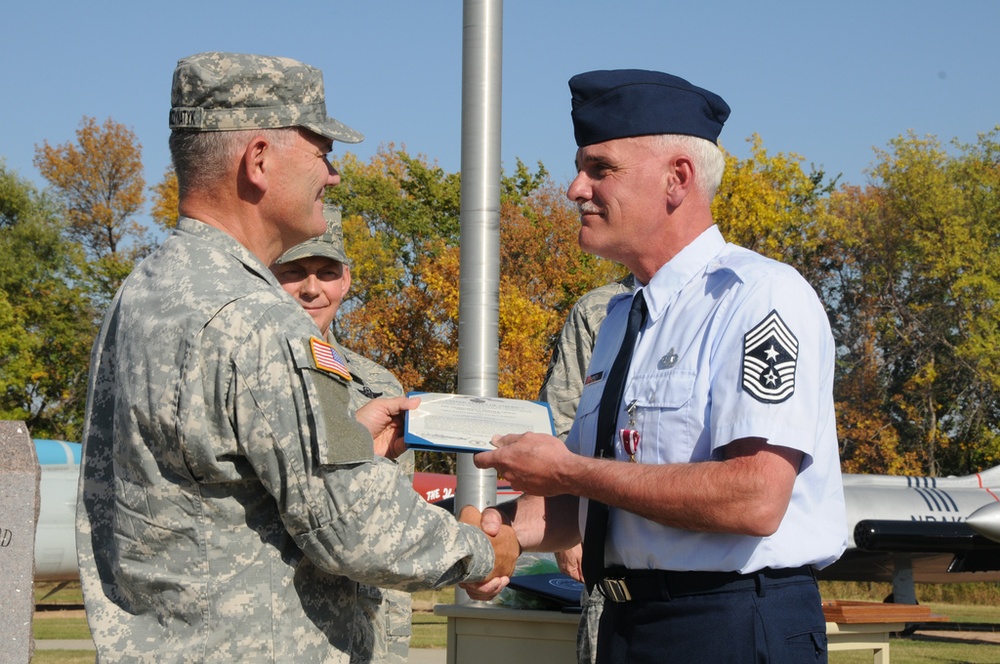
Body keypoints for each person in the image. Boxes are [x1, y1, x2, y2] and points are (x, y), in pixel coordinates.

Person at [75, 51, 518, 663]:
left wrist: (346, 442)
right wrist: (479, 550)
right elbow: (353, 529)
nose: (332, 175)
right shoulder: (258, 318)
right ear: (258, 160)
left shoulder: (147, 291)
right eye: (320, 152)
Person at [467, 69, 847, 663]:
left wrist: (570, 471)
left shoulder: (758, 297)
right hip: (624, 622)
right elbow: (594, 502)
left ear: (678, 178)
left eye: (601, 168)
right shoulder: (621, 316)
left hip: (730, 625)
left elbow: (753, 498)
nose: (574, 188)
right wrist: (499, 532)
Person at [271, 205, 414, 662]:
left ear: (346, 281)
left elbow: (395, 518)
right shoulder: (248, 373)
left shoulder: (377, 385)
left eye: (326, 272)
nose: (311, 289)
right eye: (294, 272)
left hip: (361, 635)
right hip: (274, 628)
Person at [538, 275, 633, 664]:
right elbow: (557, 422)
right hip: (605, 552)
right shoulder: (600, 309)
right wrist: (567, 529)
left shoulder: (732, 292)